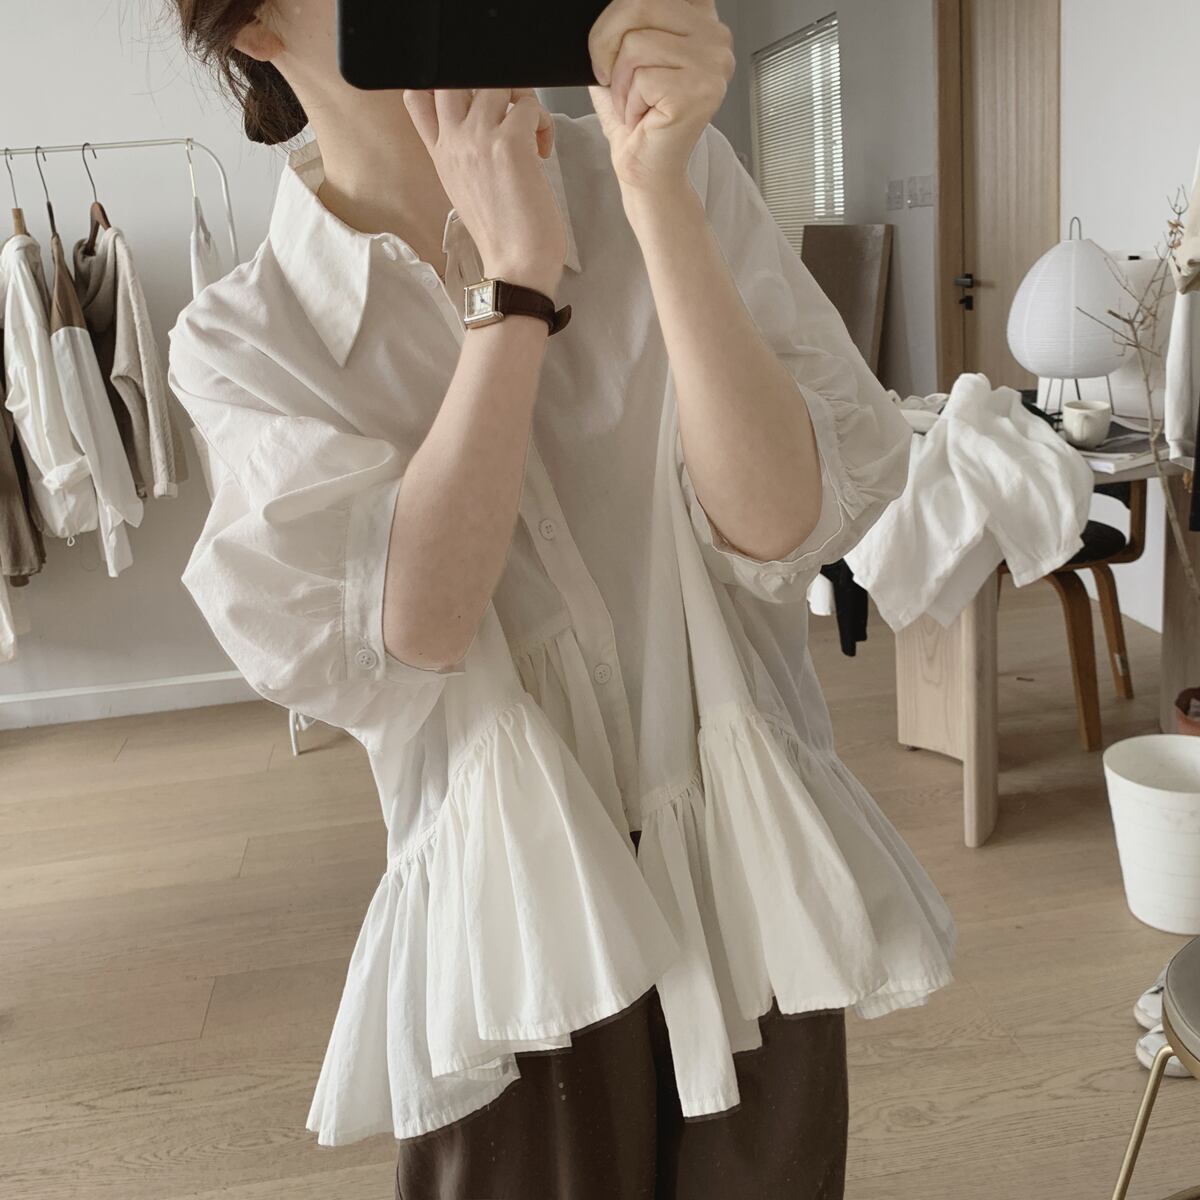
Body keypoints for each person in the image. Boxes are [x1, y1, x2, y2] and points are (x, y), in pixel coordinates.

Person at [167, 1, 958, 1196]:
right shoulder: (249, 339)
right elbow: (416, 627)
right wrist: (515, 286)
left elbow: (783, 523)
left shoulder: (669, 168)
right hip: (515, 936)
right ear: (255, 24)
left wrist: (656, 196)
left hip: (751, 878)